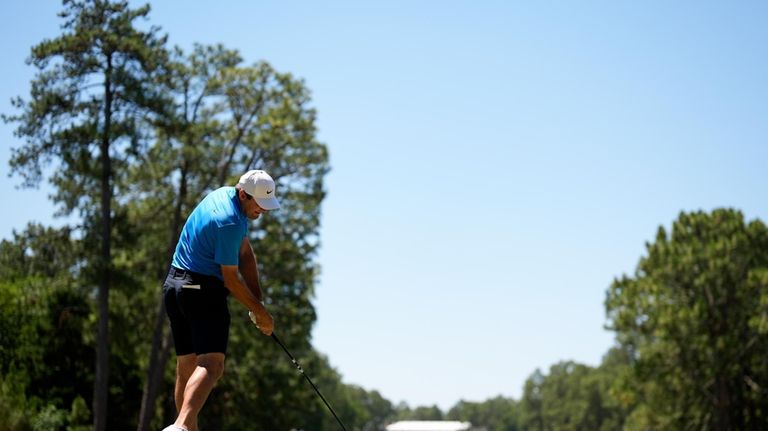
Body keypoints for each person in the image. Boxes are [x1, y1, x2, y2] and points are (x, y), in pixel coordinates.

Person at [161, 170, 279, 431]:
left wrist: (257, 303)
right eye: (260, 204)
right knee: (212, 365)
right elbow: (230, 280)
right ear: (243, 194)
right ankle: (181, 426)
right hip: (201, 289)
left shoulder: (225, 197)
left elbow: (245, 254)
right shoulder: (230, 222)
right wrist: (262, 314)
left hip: (175, 286)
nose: (264, 210)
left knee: (187, 366)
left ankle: (183, 428)